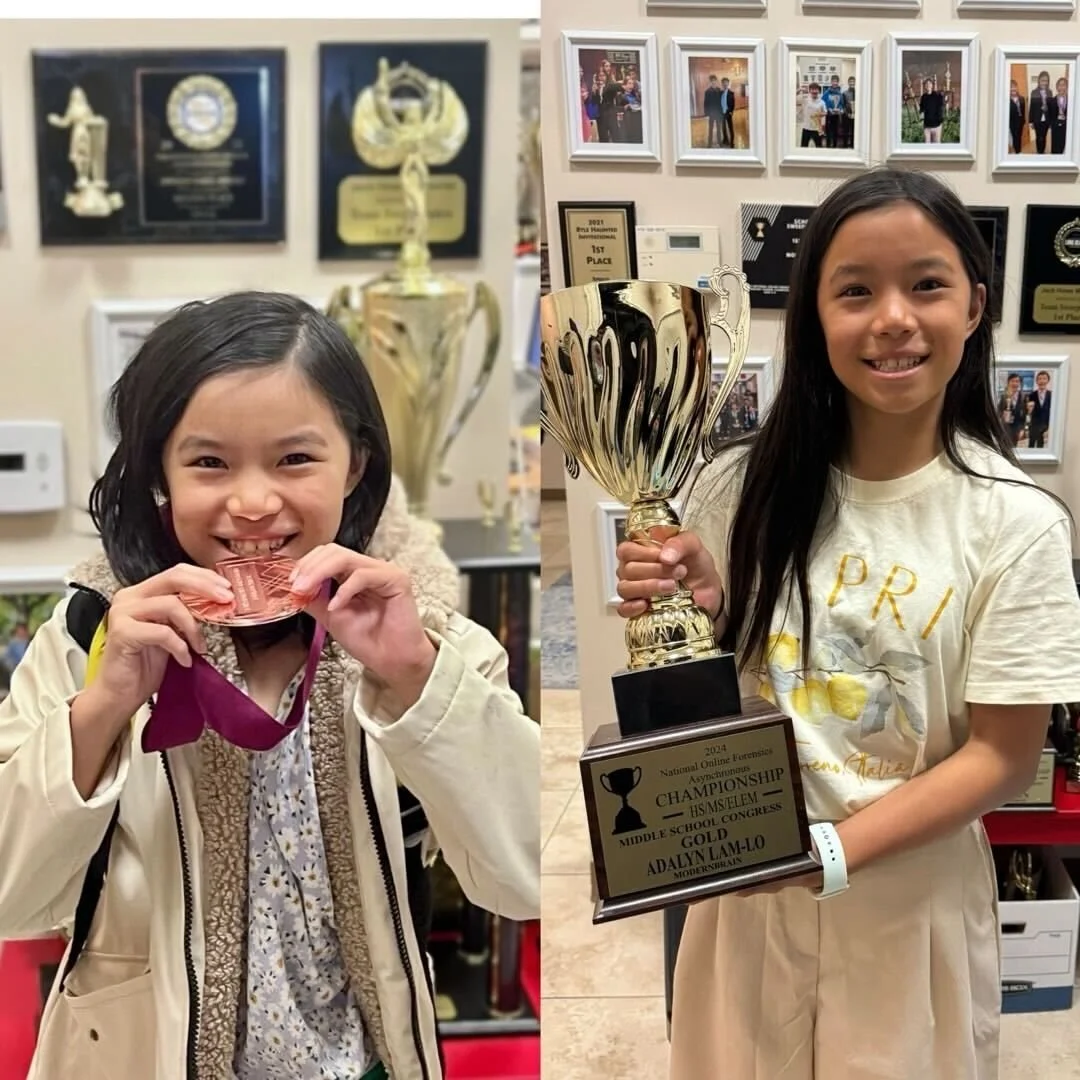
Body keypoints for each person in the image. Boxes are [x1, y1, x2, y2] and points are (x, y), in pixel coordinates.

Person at [0, 291, 540, 1080]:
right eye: (209, 461)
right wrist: (104, 706)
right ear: (159, 470)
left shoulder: (427, 640)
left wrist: (416, 678)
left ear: (353, 464)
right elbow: (14, 903)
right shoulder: (89, 638)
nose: (253, 503)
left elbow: (523, 880)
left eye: (295, 458)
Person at [614, 167, 1080, 1079]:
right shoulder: (738, 489)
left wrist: (826, 851)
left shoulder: (1017, 522)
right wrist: (701, 613)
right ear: (816, 317)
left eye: (927, 284)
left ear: (975, 306)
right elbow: (730, 689)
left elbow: (1003, 754)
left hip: (909, 913)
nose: (893, 318)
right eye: (856, 290)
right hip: (746, 902)